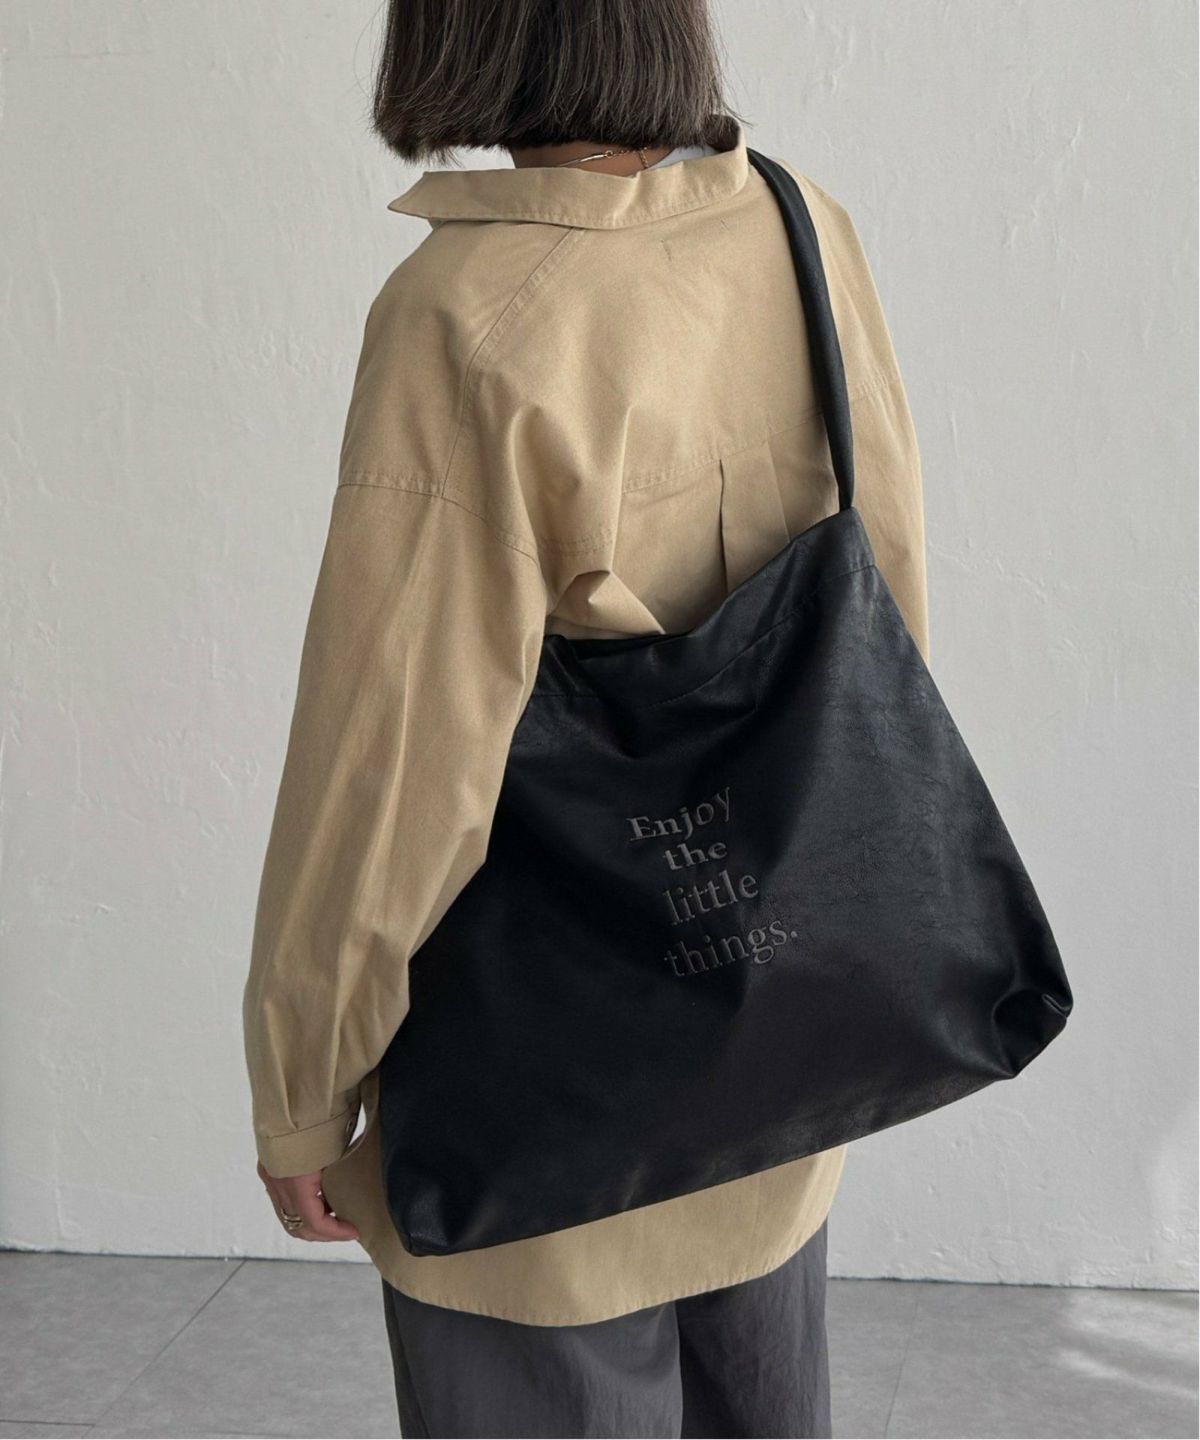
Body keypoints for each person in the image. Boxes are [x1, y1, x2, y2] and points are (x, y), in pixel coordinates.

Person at [242, 1, 929, 1435]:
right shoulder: (798, 225)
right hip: (772, 1037)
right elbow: (884, 599)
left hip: (542, 1095)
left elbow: (394, 749)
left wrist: (306, 1075)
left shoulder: (467, 314)